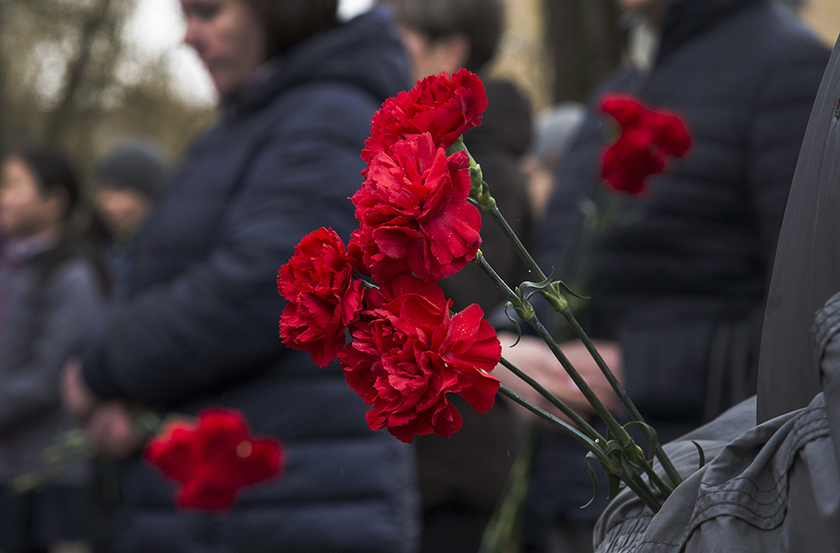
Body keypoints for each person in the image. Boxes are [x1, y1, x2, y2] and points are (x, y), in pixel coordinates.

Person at [61, 2, 419, 552]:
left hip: (290, 507)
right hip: (235, 511)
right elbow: (149, 275)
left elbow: (259, 287)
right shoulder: (244, 126)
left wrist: (99, 371)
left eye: (207, 11)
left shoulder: (327, 114)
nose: (189, 36)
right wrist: (98, 368)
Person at [497, 0, 831, 551]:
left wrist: (613, 373)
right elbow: (571, 274)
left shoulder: (789, 73)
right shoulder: (625, 84)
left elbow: (809, 329)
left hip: (693, 501)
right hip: (572, 504)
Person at [594, 36, 840, 551]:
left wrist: (623, 368)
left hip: (705, 485)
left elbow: (793, 322)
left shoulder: (786, 67)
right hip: (614, 488)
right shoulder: (624, 82)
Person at [382, 0, 532, 551]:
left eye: (399, 37)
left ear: (450, 52)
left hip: (455, 470)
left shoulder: (486, 173)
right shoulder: (412, 158)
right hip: (417, 464)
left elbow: (454, 298)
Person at [0, 146, 105, 553]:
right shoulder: (9, 264)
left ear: (54, 201)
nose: (3, 196)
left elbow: (50, 376)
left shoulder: (73, 277)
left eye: (13, 185)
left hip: (47, 474)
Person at [93, 141, 166, 293]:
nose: (105, 205)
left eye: (119, 188)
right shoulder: (103, 250)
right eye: (102, 188)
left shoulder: (166, 261)